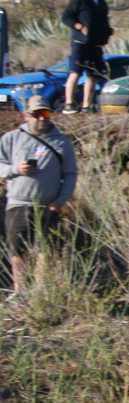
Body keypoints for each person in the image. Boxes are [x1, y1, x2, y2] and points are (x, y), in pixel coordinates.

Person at [0, 96, 77, 296]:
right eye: (37, 113)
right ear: (26, 115)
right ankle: (20, 292)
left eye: (46, 113)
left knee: (44, 250)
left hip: (48, 205)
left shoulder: (62, 142)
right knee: (17, 250)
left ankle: (40, 292)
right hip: (18, 203)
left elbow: (70, 174)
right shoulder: (11, 138)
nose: (42, 118)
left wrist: (60, 201)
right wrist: (16, 169)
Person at [61, 0, 113, 113]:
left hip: (95, 45)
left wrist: (107, 33)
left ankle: (86, 106)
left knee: (93, 75)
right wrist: (78, 26)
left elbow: (104, 21)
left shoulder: (102, 2)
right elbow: (66, 17)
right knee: (75, 72)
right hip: (80, 42)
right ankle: (69, 104)